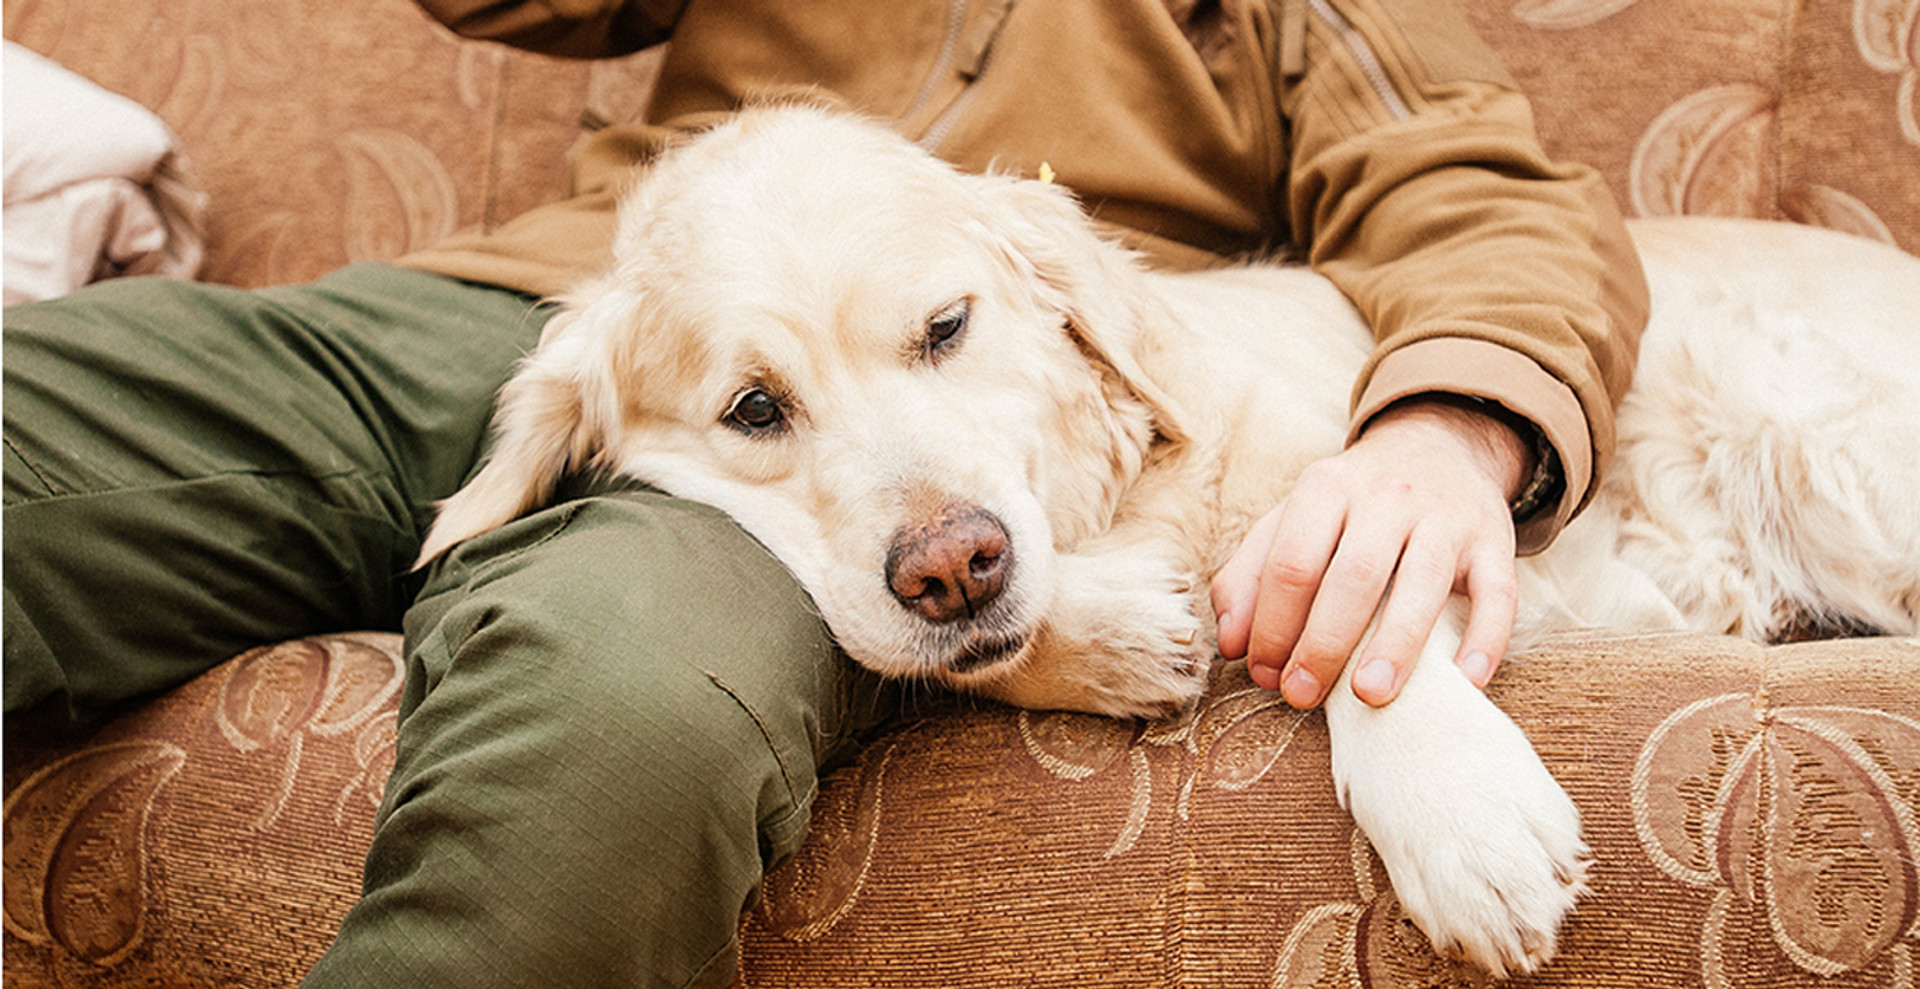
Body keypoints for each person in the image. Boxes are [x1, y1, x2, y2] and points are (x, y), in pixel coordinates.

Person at [1, 0, 1649, 985]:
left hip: (801, 449)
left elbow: (1483, 188)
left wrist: (1449, 428)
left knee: (619, 714)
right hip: (555, 307)